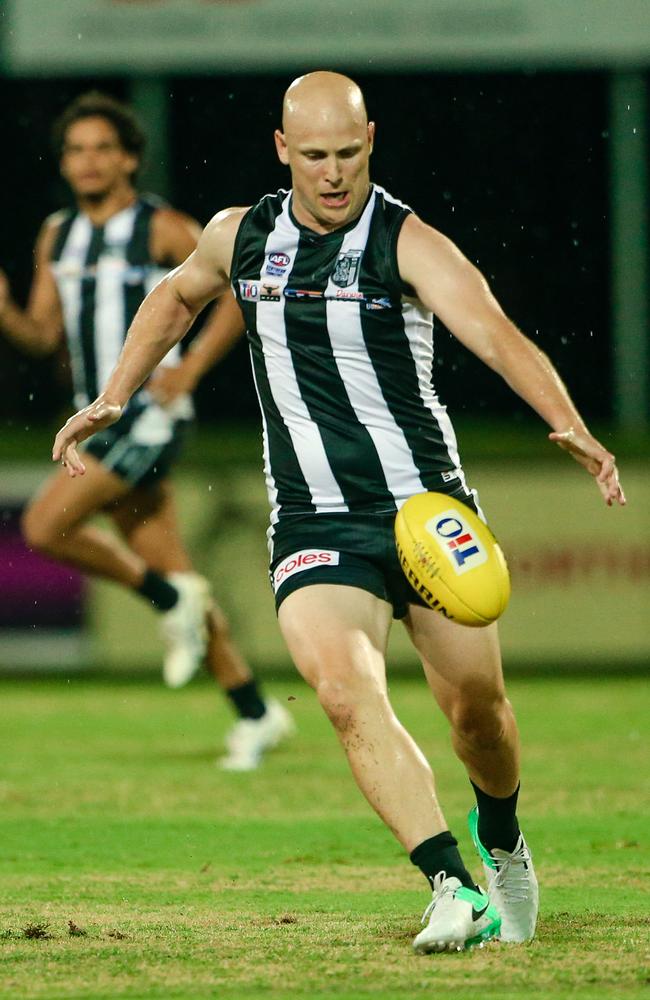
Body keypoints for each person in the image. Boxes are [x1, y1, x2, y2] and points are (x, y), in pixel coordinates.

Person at [52, 73, 625, 952]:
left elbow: (497, 333)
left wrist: (570, 424)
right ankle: (450, 884)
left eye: (347, 155)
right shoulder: (240, 234)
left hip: (427, 514)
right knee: (344, 691)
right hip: (315, 520)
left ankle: (501, 835)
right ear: (282, 150)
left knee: (479, 714)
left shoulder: (408, 241)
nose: (331, 174)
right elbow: (174, 297)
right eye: (313, 156)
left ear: (371, 143)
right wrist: (114, 395)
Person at [0, 91, 294, 772]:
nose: (89, 161)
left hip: (150, 418)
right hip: (94, 417)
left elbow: (238, 291)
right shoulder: (57, 235)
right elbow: (43, 332)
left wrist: (187, 370)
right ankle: (255, 710)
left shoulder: (161, 227)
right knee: (175, 568)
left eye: (104, 147)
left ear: (129, 157)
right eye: (76, 150)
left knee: (44, 526)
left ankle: (168, 600)